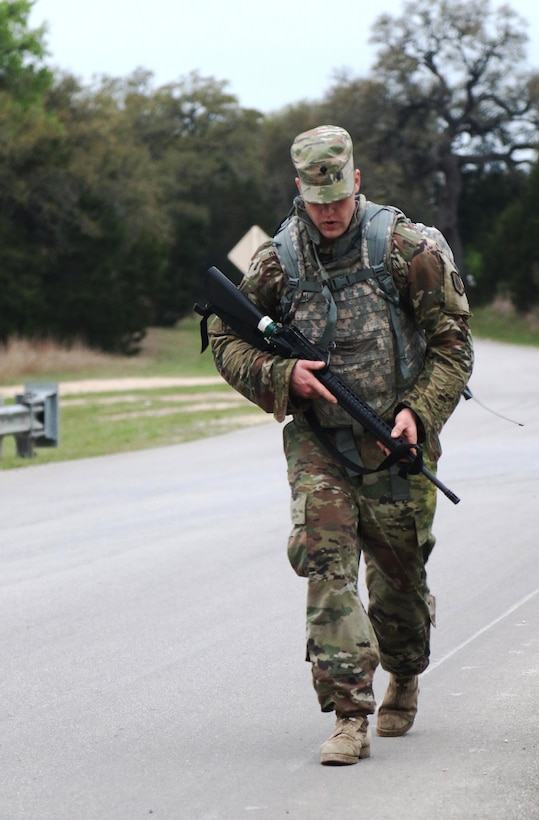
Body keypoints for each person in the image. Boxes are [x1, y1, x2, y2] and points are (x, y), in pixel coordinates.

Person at [209, 125, 473, 765]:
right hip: (318, 439)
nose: (328, 213)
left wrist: (419, 412)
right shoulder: (278, 259)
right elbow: (224, 336)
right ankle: (348, 714)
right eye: (316, 200)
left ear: (356, 181)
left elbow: (453, 344)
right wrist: (281, 375)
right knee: (325, 561)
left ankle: (404, 671)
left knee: (398, 587)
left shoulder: (406, 249)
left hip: (396, 442)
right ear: (300, 190)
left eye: (338, 197)